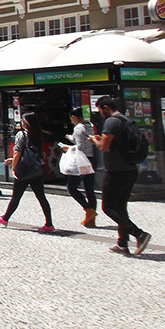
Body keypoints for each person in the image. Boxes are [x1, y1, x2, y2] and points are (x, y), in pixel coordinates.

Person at [91, 95, 151, 255]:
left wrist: (94, 141)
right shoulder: (125, 120)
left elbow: (104, 147)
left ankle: (139, 234)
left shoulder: (111, 122)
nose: (100, 114)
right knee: (121, 207)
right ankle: (122, 243)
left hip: (116, 171)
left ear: (105, 108)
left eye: (100, 110)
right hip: (130, 169)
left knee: (108, 207)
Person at [0, 112, 54, 233]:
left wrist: (13, 167)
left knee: (16, 196)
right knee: (41, 197)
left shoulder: (22, 135)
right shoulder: (37, 134)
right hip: (37, 169)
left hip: (25, 169)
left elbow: (18, 152)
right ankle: (49, 223)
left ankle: (5, 218)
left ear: (25, 123)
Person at [65, 107, 98, 227]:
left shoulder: (78, 128)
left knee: (71, 187)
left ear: (74, 117)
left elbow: (79, 147)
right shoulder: (90, 125)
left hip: (82, 160)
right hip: (92, 159)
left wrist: (67, 148)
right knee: (89, 189)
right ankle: (91, 220)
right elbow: (86, 141)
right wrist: (70, 137)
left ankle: (89, 210)